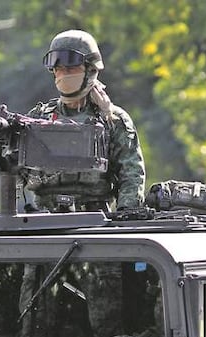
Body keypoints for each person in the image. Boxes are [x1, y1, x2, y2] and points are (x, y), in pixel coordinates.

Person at [21, 29, 146, 213]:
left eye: (70, 68)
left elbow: (131, 174)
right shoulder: (38, 118)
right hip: (43, 222)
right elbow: (19, 173)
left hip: (93, 223)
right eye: (58, 69)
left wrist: (126, 215)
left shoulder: (112, 120)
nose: (63, 74)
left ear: (91, 70)